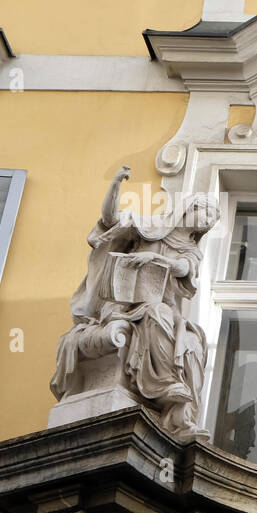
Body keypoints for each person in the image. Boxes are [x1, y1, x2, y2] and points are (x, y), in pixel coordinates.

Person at [52, 166, 220, 440]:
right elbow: (110, 219)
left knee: (190, 340)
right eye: (207, 212)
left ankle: (177, 406)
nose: (209, 221)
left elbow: (183, 268)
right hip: (125, 304)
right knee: (157, 316)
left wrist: (155, 260)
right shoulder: (149, 228)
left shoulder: (191, 251)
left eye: (213, 218)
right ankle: (165, 386)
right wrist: (116, 185)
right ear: (189, 209)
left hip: (160, 306)